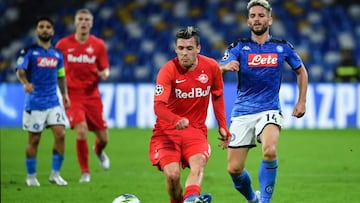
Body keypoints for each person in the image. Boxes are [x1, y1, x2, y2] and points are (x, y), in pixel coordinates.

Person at [219, 0, 308, 202]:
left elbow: (301, 71)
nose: (257, 19)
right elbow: (217, 67)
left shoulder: (282, 47)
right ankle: (253, 198)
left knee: (270, 150)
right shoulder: (238, 47)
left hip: (269, 109)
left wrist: (301, 101)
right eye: (253, 16)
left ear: (270, 19)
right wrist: (224, 67)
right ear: (248, 21)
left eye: (261, 15)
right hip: (242, 111)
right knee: (234, 169)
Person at [149, 26, 232, 203]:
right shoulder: (167, 70)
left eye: (189, 48)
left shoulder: (211, 67)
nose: (184, 53)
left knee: (198, 163)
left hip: (195, 131)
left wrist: (223, 126)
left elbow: (217, 96)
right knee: (172, 176)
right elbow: (158, 107)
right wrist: (175, 119)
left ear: (198, 48)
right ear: (175, 49)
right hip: (167, 132)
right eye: (180, 48)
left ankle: (191, 199)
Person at [55, 8, 111, 183]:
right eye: (81, 19)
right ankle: (85, 172)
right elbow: (56, 69)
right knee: (81, 131)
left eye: (87, 19)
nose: (84, 22)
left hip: (92, 95)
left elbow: (105, 68)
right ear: (75, 22)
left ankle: (99, 150)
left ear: (91, 23)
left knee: (103, 138)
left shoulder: (98, 45)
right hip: (72, 95)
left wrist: (105, 74)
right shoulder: (63, 45)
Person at [16, 16, 70, 187]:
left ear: (52, 31)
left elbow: (61, 76)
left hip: (53, 102)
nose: (45, 29)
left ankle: (55, 174)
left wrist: (65, 95)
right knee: (34, 140)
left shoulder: (57, 54)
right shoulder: (29, 52)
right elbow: (20, 70)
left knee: (61, 134)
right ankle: (31, 176)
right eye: (41, 27)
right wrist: (25, 83)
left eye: (48, 27)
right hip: (35, 103)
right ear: (37, 30)